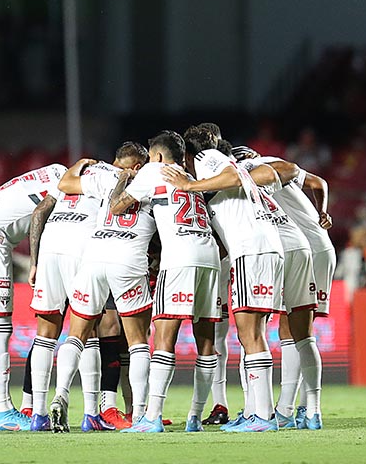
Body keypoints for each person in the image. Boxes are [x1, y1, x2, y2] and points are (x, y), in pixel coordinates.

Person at [163, 124, 287, 433]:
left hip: (252, 249)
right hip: (263, 248)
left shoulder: (206, 157)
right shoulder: (211, 178)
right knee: (252, 333)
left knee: (250, 334)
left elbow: (234, 176)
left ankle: (263, 417)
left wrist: (190, 186)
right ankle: (258, 412)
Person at [25, 143, 149, 432]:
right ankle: (93, 411)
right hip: (84, 246)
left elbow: (41, 210)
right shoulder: (126, 179)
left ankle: (39, 413)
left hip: (50, 246)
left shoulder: (85, 171)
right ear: (136, 166)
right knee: (89, 329)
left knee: (46, 333)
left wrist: (34, 262)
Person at [228, 146, 335, 431]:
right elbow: (319, 182)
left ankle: (285, 409)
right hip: (317, 246)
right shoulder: (269, 168)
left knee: (279, 329)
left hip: (299, 248)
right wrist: (322, 211)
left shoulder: (256, 169)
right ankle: (309, 410)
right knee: (301, 332)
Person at [121, 131, 221, 434]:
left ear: (159, 157)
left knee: (164, 337)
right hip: (210, 256)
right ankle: (194, 417)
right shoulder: (192, 176)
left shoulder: (153, 171)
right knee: (206, 342)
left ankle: (152, 416)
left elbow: (118, 206)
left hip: (179, 257)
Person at [0, 162, 67, 432]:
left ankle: (5, 409)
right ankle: (2, 411)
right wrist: (37, 263)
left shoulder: (57, 171)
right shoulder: (65, 186)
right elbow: (42, 219)